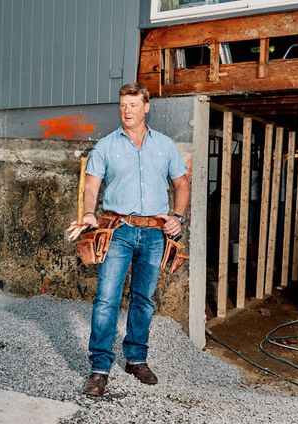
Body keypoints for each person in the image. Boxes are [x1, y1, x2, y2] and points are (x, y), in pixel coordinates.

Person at [69, 82, 190, 397]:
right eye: (123, 105)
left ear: (146, 107)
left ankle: (136, 358)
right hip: (118, 230)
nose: (127, 111)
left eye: (133, 105)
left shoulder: (164, 145)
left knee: (144, 299)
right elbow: (92, 185)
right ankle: (99, 368)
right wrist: (88, 214)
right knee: (106, 298)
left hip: (154, 232)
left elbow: (181, 183)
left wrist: (177, 217)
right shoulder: (107, 146)